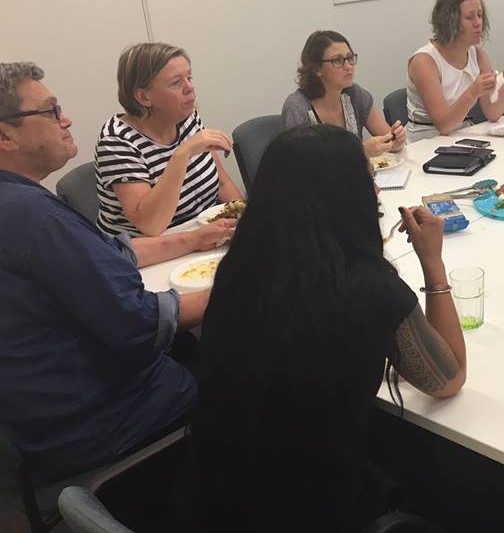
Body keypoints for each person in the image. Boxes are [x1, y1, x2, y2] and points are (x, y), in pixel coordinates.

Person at [190, 124, 467, 531]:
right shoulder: (364, 285)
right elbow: (449, 379)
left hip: (218, 495)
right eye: (369, 178)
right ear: (349, 197)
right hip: (312, 508)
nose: (375, 190)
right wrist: (433, 263)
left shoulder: (240, 268)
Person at [0, 62, 235, 488]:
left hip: (40, 414)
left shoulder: (20, 205)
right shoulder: (33, 218)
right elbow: (143, 320)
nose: (66, 120)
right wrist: (248, 281)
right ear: (5, 135)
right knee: (256, 371)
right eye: (51, 111)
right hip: (106, 418)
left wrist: (194, 239)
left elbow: (111, 252)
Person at [95, 43, 243, 237]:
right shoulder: (116, 141)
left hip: (199, 235)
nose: (190, 87)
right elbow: (151, 225)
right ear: (143, 97)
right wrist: (182, 154)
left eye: (189, 78)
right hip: (145, 254)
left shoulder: (186, 118)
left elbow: (221, 183)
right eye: (176, 83)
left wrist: (246, 221)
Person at [406, 0, 504, 141]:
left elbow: (493, 113)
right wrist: (473, 92)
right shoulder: (424, 61)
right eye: (469, 18)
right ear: (450, 23)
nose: (478, 23)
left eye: (480, 15)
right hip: (425, 141)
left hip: (460, 135)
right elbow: (444, 125)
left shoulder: (479, 55)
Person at [281, 30, 405, 156]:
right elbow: (302, 167)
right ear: (317, 69)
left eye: (350, 58)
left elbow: (387, 138)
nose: (348, 66)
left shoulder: (355, 94)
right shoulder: (297, 107)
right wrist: (360, 151)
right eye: (338, 60)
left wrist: (395, 142)